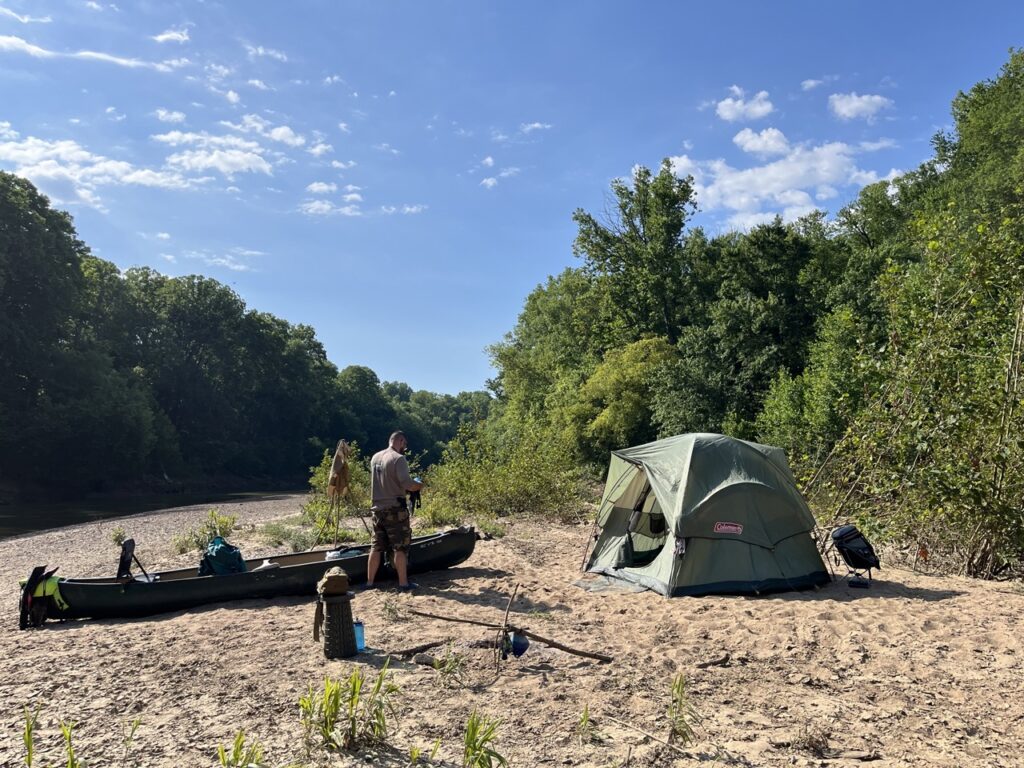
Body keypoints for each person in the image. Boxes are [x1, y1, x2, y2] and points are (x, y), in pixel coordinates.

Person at [366, 431, 423, 590]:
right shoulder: (399, 459)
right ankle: (403, 583)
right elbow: (407, 484)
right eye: (404, 444)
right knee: (400, 547)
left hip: (377, 509)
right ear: (400, 440)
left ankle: (369, 582)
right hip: (395, 510)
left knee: (376, 547)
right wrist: (419, 485)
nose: (405, 447)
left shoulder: (375, 457)